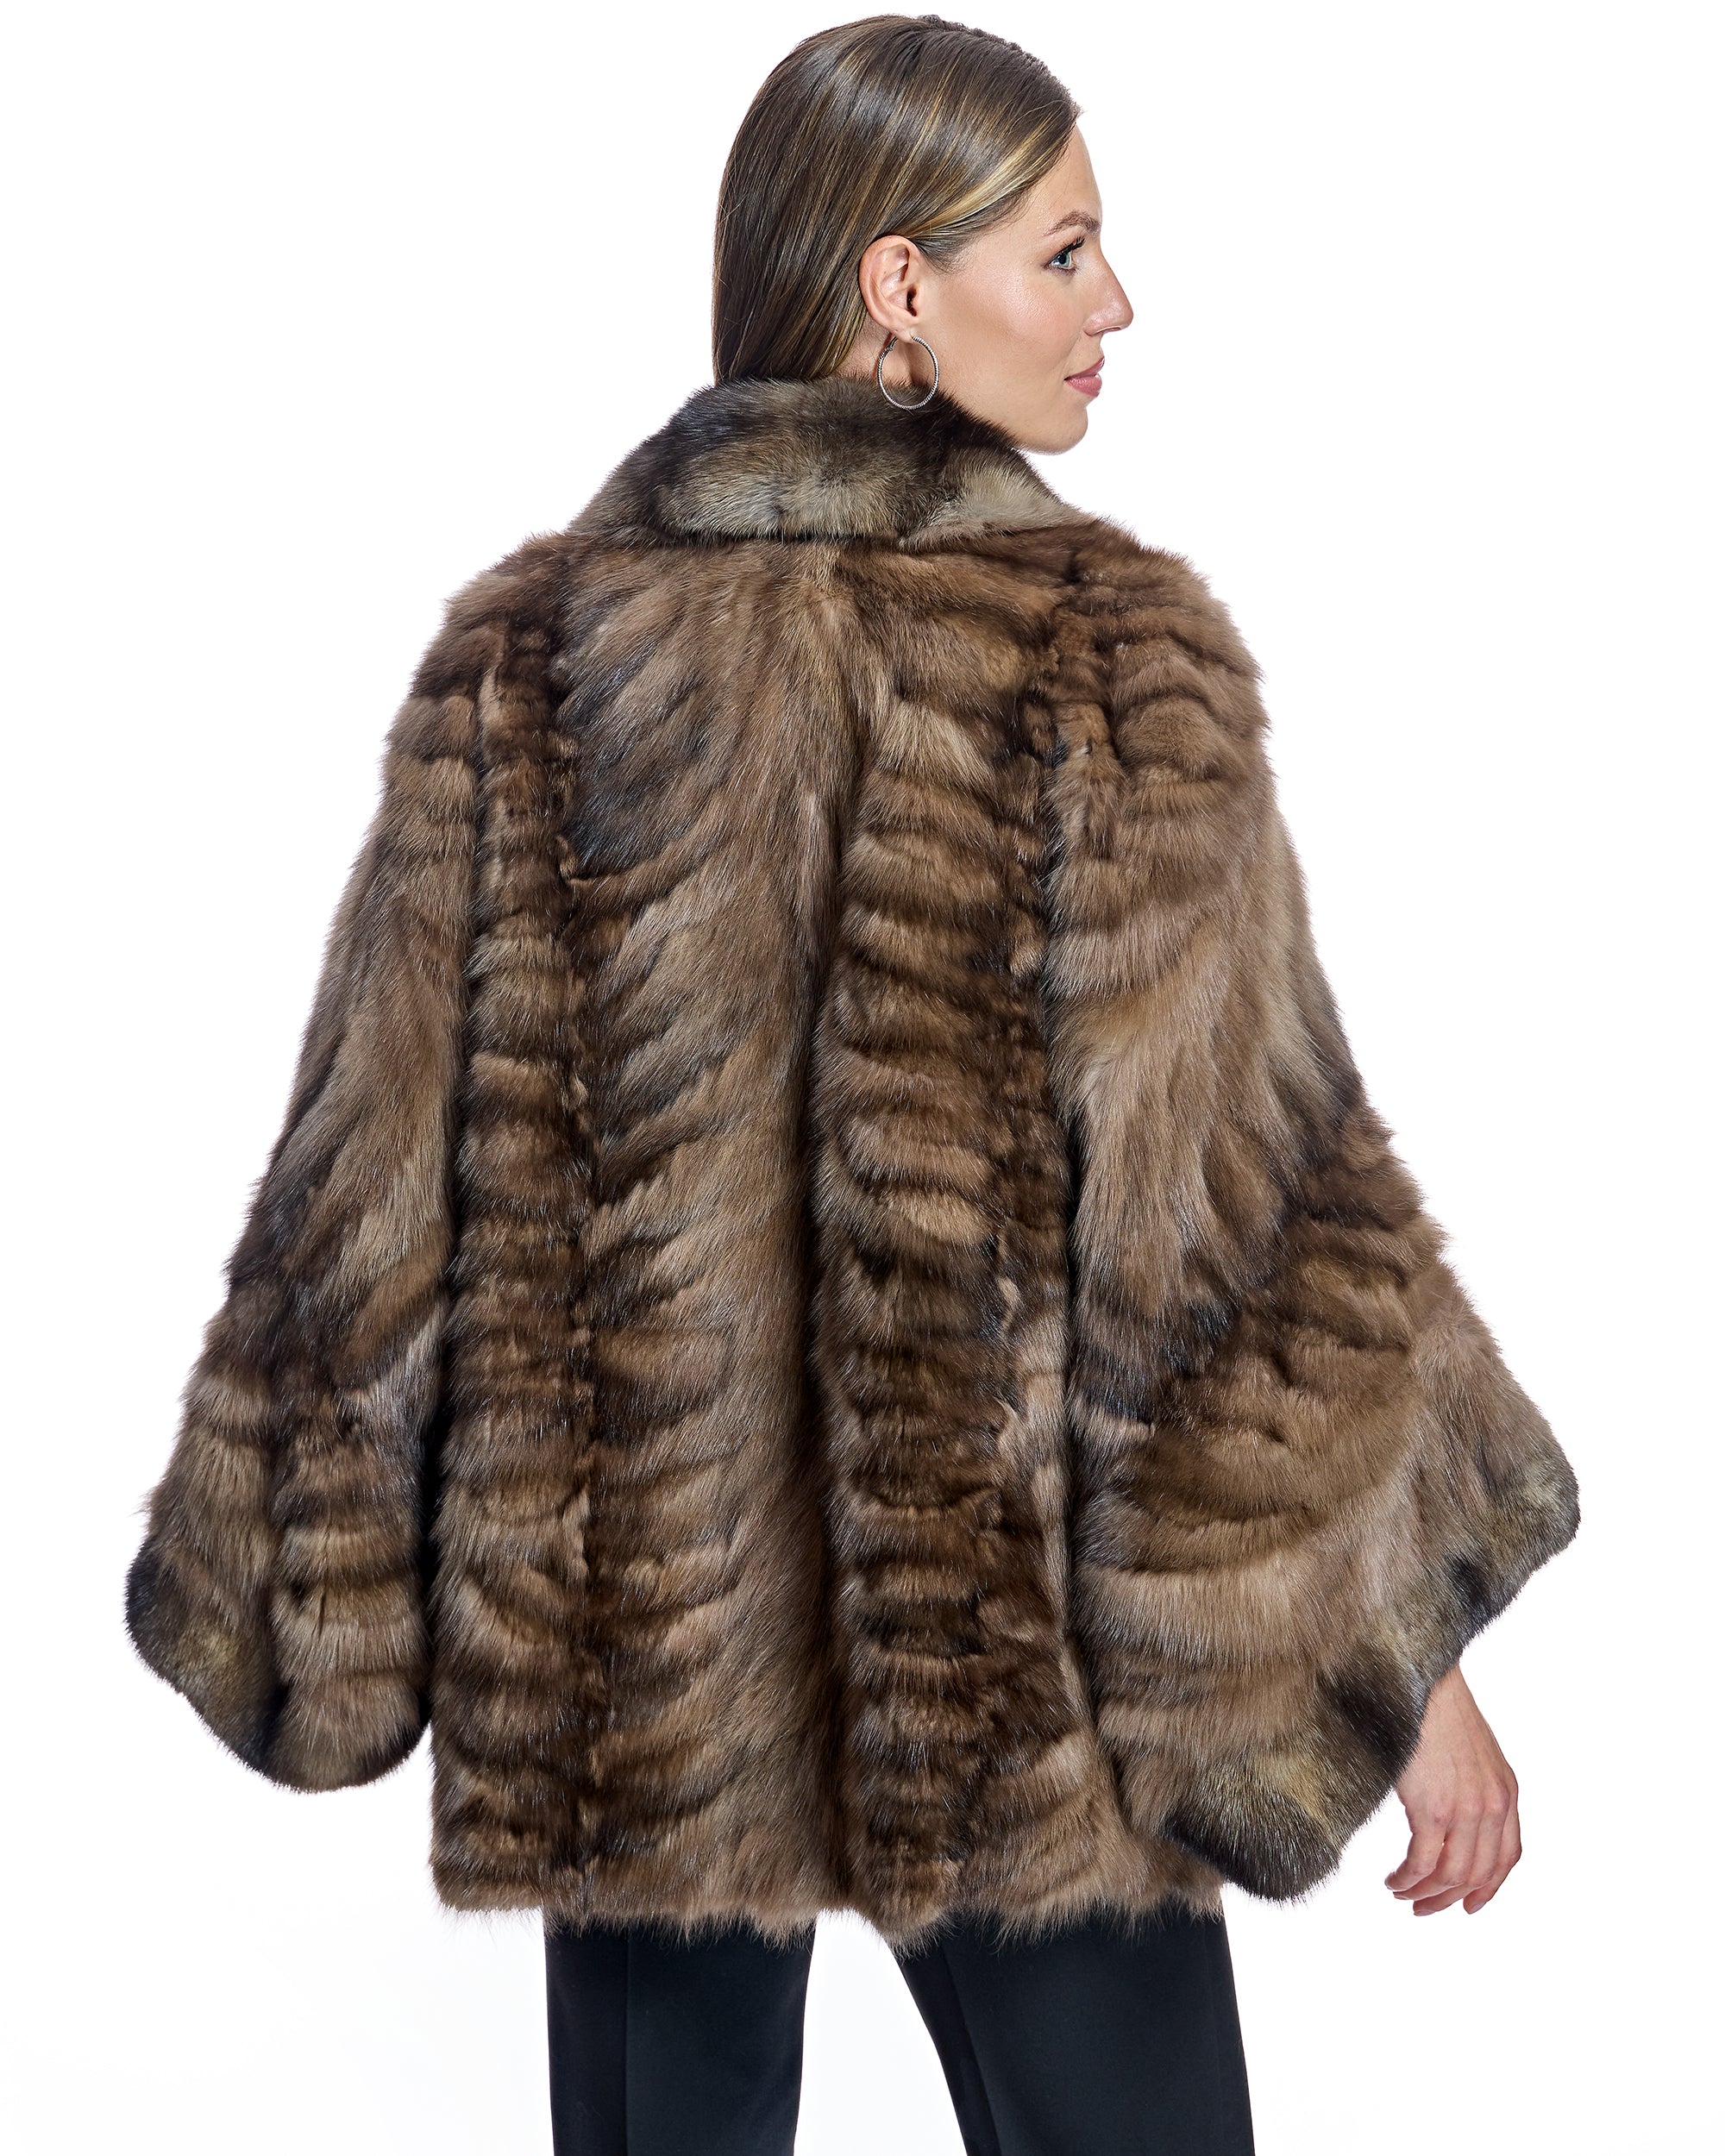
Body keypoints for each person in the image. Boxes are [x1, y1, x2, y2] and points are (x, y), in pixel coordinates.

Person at [123, 16, 1579, 2154]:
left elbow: (364, 1185)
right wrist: (1402, 1655)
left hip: (638, 1663)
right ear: (901, 284)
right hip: (1012, 1667)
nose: (1116, 304)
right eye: (1065, 252)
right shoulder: (1107, 662)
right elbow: (1236, 1236)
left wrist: (289, 1576)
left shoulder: (524, 666)